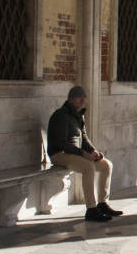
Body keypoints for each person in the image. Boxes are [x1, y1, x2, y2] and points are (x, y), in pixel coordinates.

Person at [47, 86, 122, 222]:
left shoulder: (79, 115)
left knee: (106, 165)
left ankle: (102, 204)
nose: (83, 100)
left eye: (84, 97)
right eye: (79, 97)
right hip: (59, 155)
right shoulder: (61, 116)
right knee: (88, 167)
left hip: (74, 154)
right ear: (71, 99)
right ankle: (91, 210)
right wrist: (83, 154)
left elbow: (84, 138)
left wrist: (93, 151)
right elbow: (61, 144)